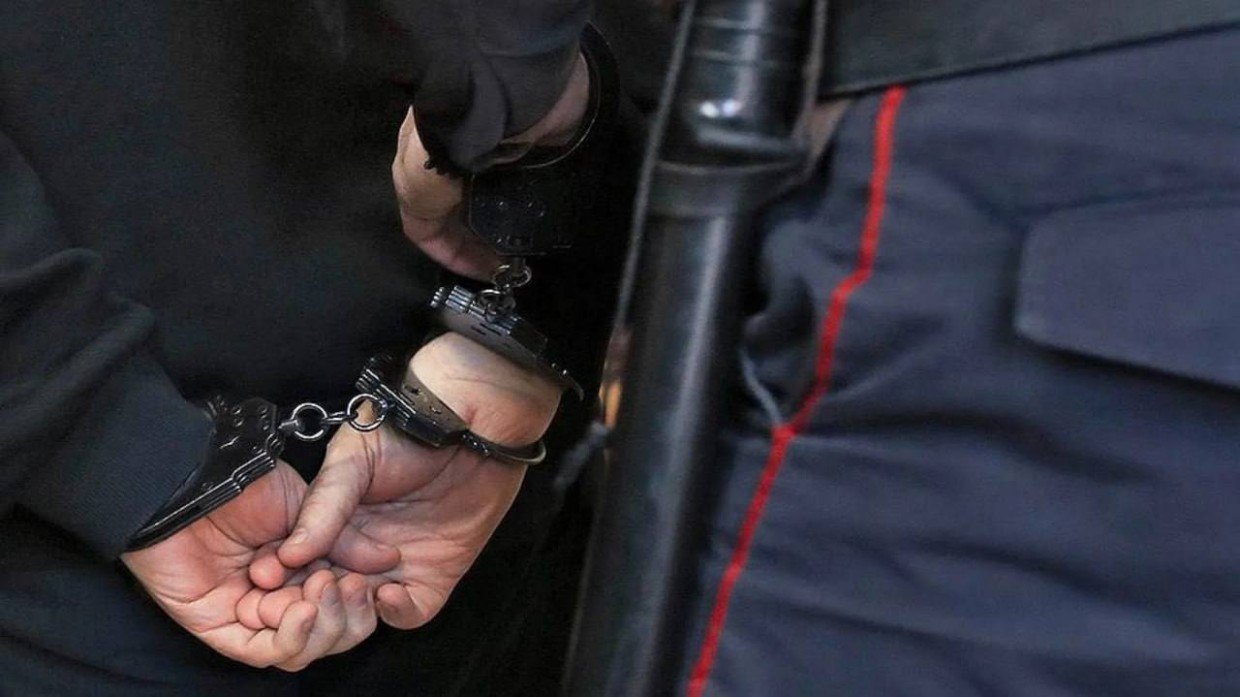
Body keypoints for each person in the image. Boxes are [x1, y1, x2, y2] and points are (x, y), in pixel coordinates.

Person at [0, 2, 619, 694]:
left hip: (488, 507)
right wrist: (111, 446)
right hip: (71, 550)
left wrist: (528, 314)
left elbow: (667, 57)